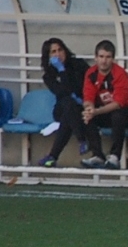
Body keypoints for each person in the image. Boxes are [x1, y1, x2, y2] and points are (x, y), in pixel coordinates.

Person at [81, 40, 128, 170]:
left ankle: (115, 156)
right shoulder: (91, 73)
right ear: (95, 57)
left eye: (108, 57)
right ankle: (97, 155)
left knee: (118, 115)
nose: (104, 61)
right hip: (108, 113)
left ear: (113, 59)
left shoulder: (119, 74)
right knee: (84, 115)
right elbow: (88, 97)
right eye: (101, 56)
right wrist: (89, 109)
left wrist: (96, 111)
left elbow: (118, 104)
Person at [37, 37, 89, 167]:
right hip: (64, 106)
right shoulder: (49, 75)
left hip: (83, 105)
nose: (58, 54)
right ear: (48, 56)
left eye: (60, 50)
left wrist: (65, 73)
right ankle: (81, 139)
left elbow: (82, 87)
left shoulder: (79, 65)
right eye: (53, 52)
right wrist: (61, 70)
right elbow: (62, 91)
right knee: (67, 103)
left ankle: (53, 156)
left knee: (68, 113)